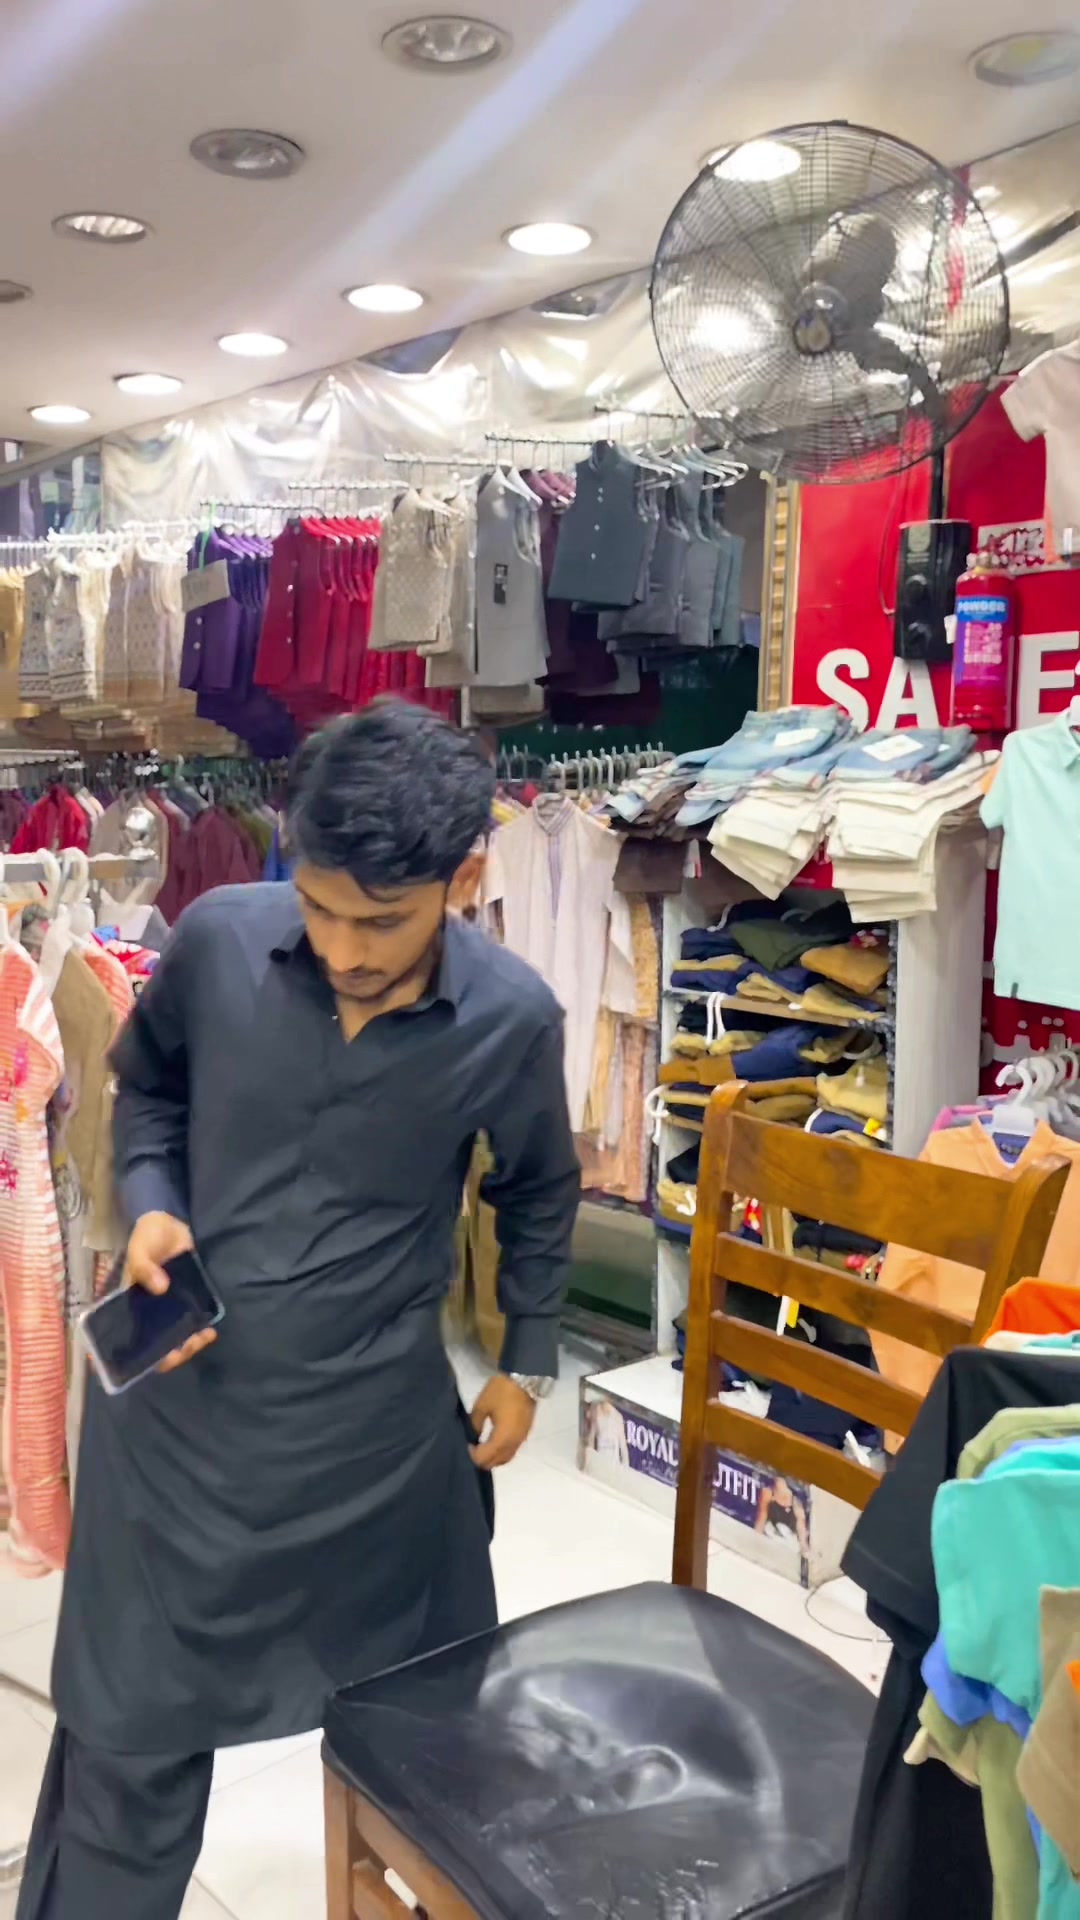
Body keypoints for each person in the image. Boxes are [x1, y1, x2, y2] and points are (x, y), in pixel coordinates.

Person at [19, 702, 581, 1920]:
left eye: (381, 921)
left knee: (429, 1752)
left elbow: (540, 1188)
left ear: (462, 879)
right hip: (178, 1439)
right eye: (320, 907)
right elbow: (148, 1092)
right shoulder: (221, 940)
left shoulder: (511, 1018)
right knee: (126, 1755)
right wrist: (153, 1207)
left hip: (371, 1452)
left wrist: (525, 1356)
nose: (342, 947)